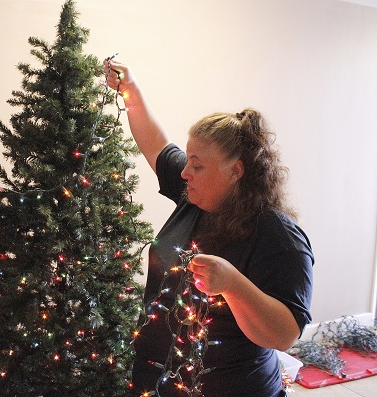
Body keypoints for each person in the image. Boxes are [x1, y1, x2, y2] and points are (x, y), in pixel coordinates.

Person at [104, 60, 313, 397]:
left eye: (198, 166)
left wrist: (233, 285)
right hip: (156, 383)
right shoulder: (194, 195)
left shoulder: (278, 236)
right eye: (188, 161)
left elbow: (284, 334)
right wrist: (131, 91)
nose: (185, 172)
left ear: (236, 171)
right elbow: (157, 144)